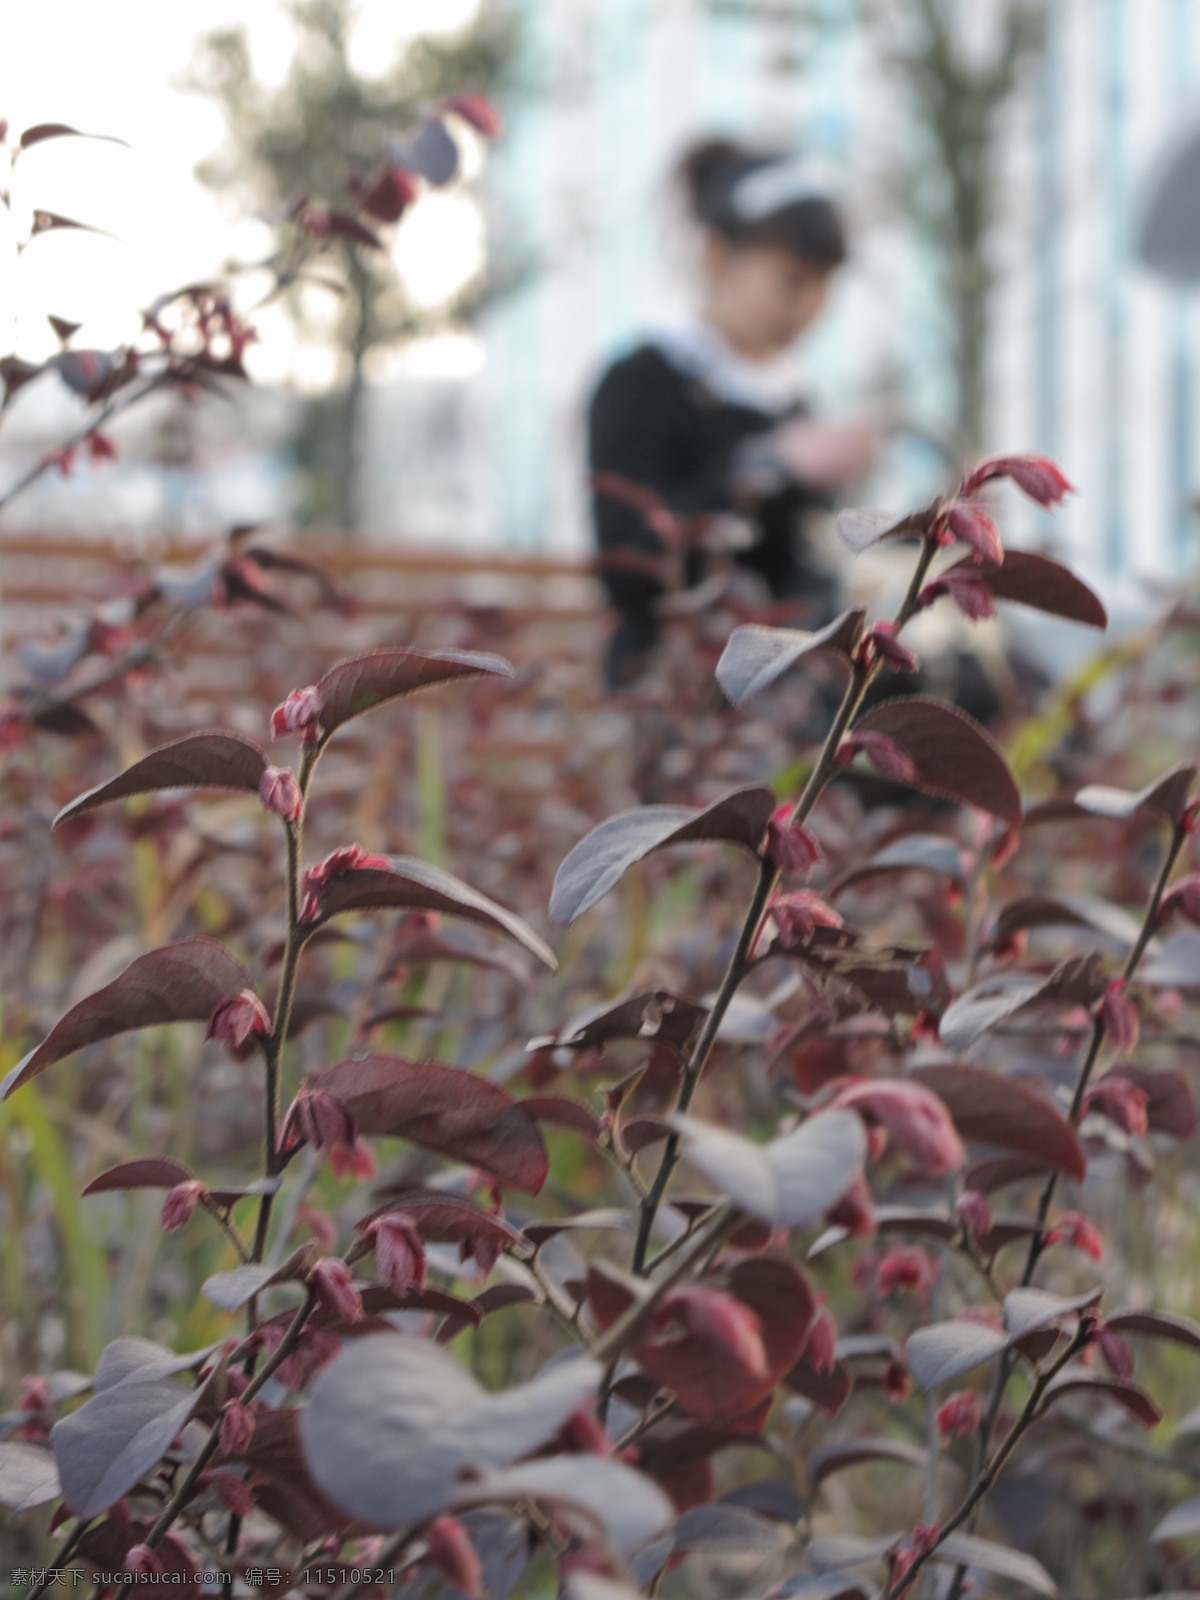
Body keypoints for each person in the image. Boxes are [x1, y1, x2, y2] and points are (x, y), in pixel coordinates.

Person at [588, 137, 877, 689]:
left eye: (823, 285)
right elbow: (627, 568)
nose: (810, 307)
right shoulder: (641, 381)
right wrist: (771, 465)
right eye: (791, 280)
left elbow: (805, 561)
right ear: (717, 257)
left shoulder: (790, 400)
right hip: (672, 693)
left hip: (786, 689)